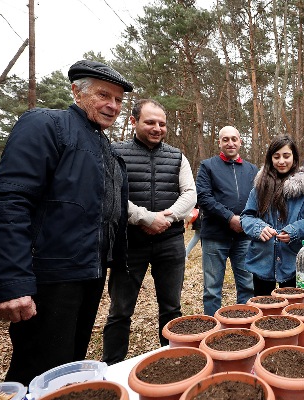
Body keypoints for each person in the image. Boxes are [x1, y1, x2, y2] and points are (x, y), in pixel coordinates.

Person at [0, 59, 132, 385]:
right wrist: (10, 280)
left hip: (89, 275)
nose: (113, 106)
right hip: (49, 278)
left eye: (119, 100)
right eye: (104, 95)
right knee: (38, 370)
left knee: (69, 365)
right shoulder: (47, 125)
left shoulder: (105, 147)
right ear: (77, 92)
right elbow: (9, 199)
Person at [102, 99, 196, 365]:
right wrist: (144, 218)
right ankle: (113, 365)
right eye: (150, 122)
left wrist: (167, 218)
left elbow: (190, 193)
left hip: (170, 242)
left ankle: (172, 360)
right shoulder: (115, 152)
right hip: (130, 244)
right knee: (120, 310)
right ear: (133, 122)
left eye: (162, 124)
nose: (157, 128)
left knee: (171, 308)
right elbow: (111, 193)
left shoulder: (177, 156)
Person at [241, 135, 304, 295]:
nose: (281, 161)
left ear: (295, 157)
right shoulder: (260, 187)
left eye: (286, 156)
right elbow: (246, 217)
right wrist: (259, 228)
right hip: (262, 261)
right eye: (276, 157)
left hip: (295, 262)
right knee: (264, 310)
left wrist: (295, 231)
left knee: (294, 311)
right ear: (270, 158)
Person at [196, 126, 258, 316]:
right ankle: (213, 329)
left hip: (244, 236)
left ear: (240, 141)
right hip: (215, 236)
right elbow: (204, 198)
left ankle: (245, 325)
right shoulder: (208, 166)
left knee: (247, 285)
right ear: (220, 143)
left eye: (234, 139)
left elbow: (257, 199)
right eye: (225, 140)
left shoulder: (252, 169)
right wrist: (229, 218)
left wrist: (246, 221)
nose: (230, 143)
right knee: (212, 288)